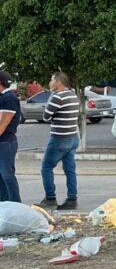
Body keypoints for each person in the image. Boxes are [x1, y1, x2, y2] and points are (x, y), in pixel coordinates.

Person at [37, 72, 81, 210]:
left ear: (59, 82)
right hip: (73, 137)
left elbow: (46, 117)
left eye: (51, 80)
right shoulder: (73, 95)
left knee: (46, 167)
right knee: (70, 169)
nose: (50, 83)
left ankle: (50, 198)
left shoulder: (57, 97)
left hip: (59, 138)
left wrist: (51, 96)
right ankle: (72, 199)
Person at [0, 70, 22, 203]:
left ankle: (15, 204)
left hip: (6, 142)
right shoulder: (2, 97)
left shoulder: (9, 98)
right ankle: (4, 203)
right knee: (1, 176)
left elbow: (3, 123)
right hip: (3, 142)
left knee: (7, 175)